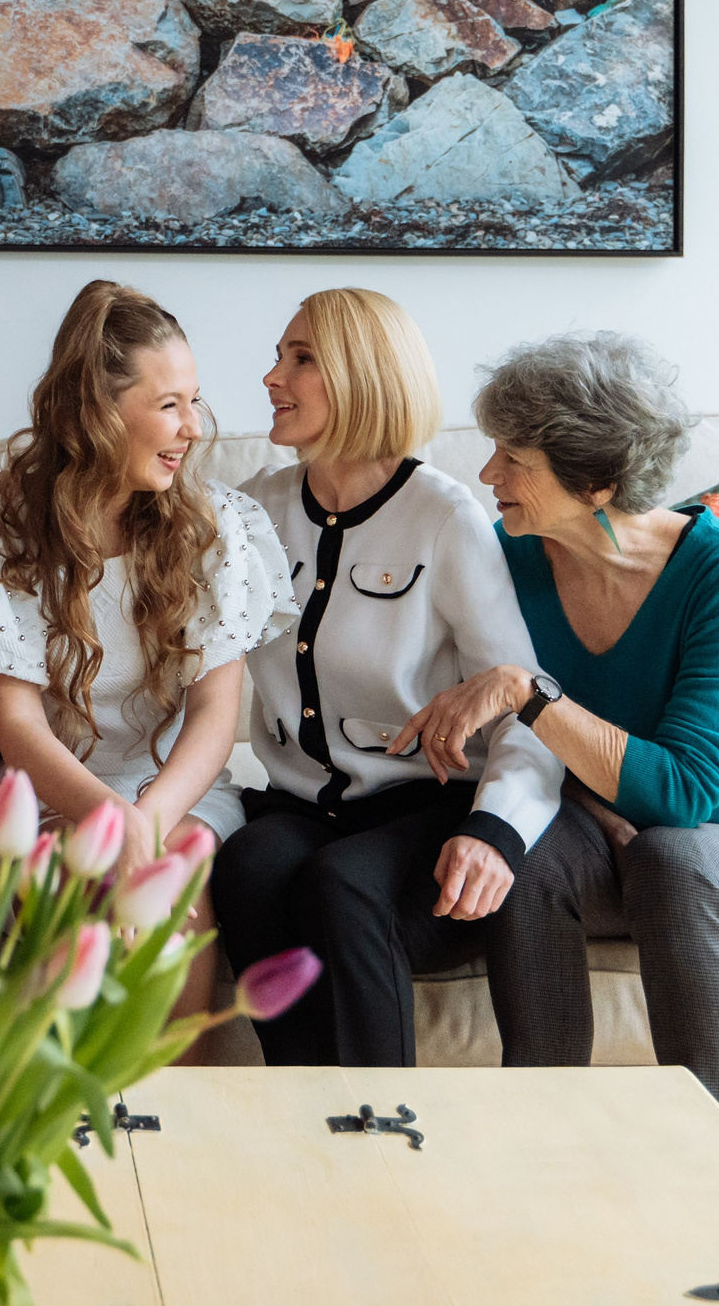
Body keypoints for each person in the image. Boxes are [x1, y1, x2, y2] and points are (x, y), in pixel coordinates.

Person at [395, 332, 719, 1132]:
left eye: (513, 460)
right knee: (519, 853)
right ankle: (545, 1147)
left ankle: (716, 1172)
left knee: (674, 856)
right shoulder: (511, 556)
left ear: (599, 480)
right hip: (608, 836)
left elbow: (686, 793)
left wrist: (527, 692)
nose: (488, 475)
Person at [0, 280, 294, 1018]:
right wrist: (106, 821)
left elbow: (216, 713)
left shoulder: (217, 529)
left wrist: (142, 823)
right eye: (169, 404)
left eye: (195, 400)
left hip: (176, 789)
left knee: (174, 876)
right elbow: (17, 728)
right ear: (94, 412)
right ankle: (57, 1122)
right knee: (66, 889)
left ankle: (180, 1121)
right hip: (53, 789)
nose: (194, 428)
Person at [212, 291, 563, 1067]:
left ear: (365, 376)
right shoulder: (253, 509)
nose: (273, 377)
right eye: (278, 355)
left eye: (300, 359)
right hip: (300, 806)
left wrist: (496, 830)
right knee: (250, 864)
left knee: (341, 883)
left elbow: (522, 702)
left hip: (422, 811)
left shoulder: (446, 517)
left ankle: (386, 1131)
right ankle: (303, 1119)